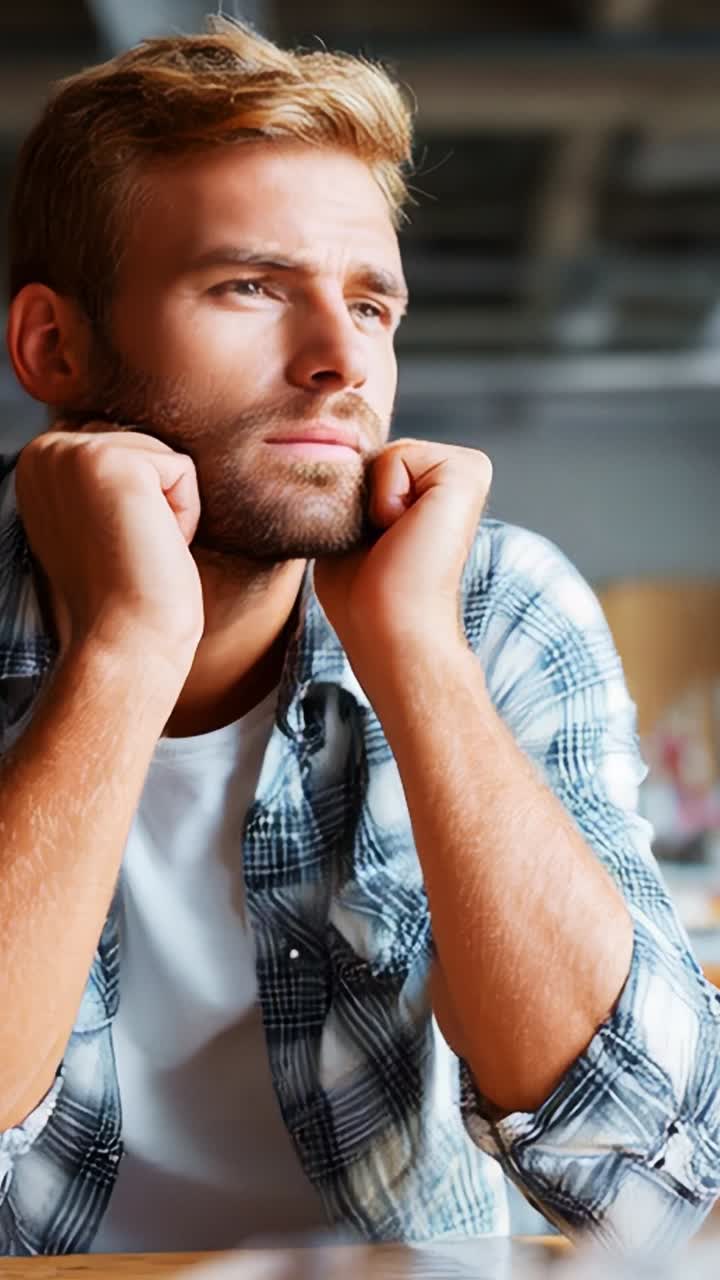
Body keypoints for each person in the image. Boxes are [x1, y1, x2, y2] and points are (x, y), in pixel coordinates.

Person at [0, 15, 717, 1259]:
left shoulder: (493, 605)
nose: (342, 360)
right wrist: (122, 654)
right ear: (54, 344)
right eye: (251, 287)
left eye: (373, 303)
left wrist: (423, 662)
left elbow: (654, 1172)